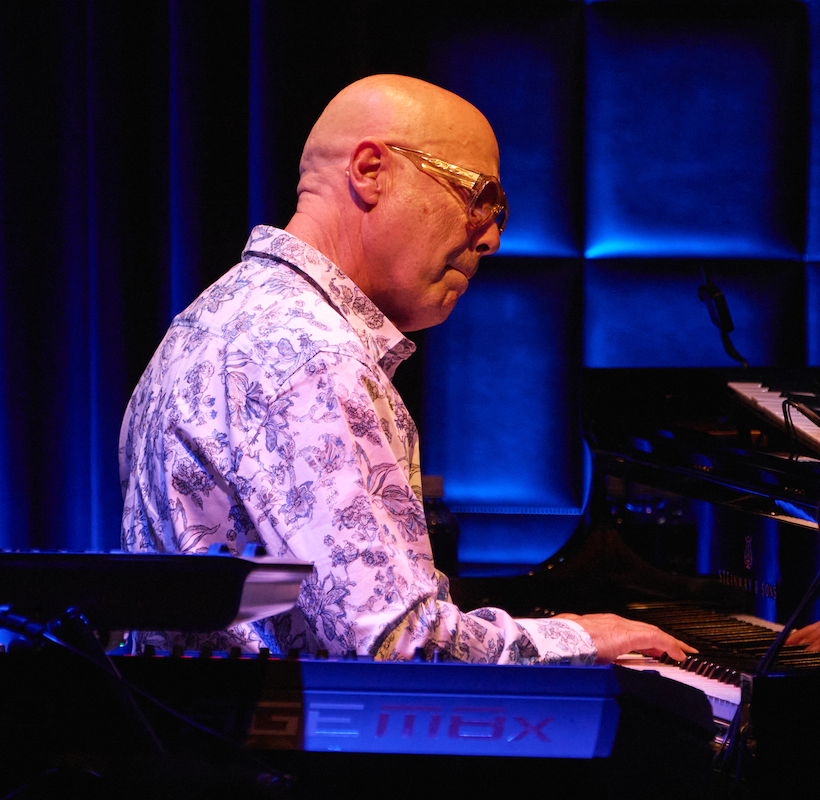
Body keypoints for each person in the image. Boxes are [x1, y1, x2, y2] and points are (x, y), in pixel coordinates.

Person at [119, 74, 693, 665]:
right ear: (371, 171)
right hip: (280, 727)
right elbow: (400, 646)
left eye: (500, 213)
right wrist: (578, 639)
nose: (491, 238)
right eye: (480, 197)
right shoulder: (313, 357)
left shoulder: (211, 317)